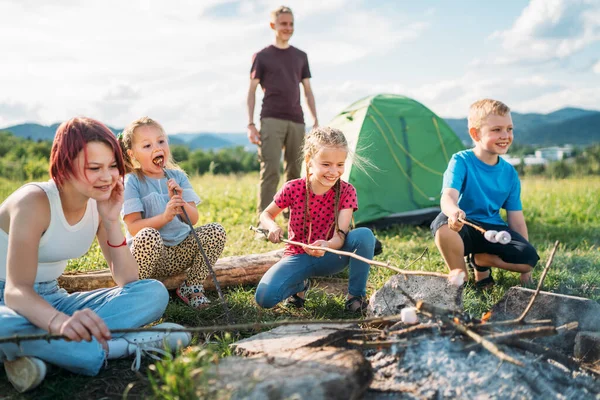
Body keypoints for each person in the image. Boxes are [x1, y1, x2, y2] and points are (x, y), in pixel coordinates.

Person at [0, 117, 190, 393]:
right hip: (8, 301)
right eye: (94, 168)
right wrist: (60, 324)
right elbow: (16, 292)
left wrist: (112, 221)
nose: (107, 177)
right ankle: (118, 347)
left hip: (52, 297)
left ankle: (40, 351)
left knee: (153, 293)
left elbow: (128, 278)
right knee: (7, 326)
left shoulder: (100, 201)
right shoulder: (33, 201)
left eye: (113, 166)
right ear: (64, 166)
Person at [255, 127, 375, 312]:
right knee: (264, 298)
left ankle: (355, 297)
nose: (334, 171)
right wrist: (272, 227)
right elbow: (266, 214)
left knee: (364, 235)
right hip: (298, 256)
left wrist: (326, 245)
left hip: (332, 255)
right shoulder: (293, 188)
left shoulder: (347, 191)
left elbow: (341, 237)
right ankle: (299, 286)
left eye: (340, 164)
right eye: (326, 164)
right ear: (309, 161)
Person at [430, 99, 540, 289]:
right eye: (496, 130)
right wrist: (453, 212)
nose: (505, 135)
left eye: (509, 129)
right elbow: (447, 196)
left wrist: (526, 272)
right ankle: (460, 279)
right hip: (464, 224)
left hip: (493, 229)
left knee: (529, 258)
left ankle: (481, 261)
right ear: (475, 133)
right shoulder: (461, 161)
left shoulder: (509, 173)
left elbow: (516, 220)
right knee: (444, 227)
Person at [119, 117, 227, 310]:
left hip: (180, 252)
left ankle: (192, 286)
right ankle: (138, 292)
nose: (156, 148)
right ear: (132, 154)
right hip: (149, 256)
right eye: (147, 145)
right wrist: (165, 217)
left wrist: (181, 201)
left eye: (161, 141)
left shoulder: (178, 177)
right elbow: (134, 227)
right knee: (148, 235)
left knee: (216, 231)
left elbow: (193, 219)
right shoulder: (132, 181)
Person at [247, 5, 319, 223]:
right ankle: (264, 223)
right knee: (270, 171)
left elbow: (307, 91)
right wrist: (250, 124)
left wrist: (315, 120)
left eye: (291, 24)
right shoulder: (262, 56)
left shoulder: (300, 56)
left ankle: (294, 220)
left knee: (296, 172)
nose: (288, 28)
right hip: (270, 119)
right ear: (273, 26)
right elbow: (251, 92)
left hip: (297, 121)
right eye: (283, 24)